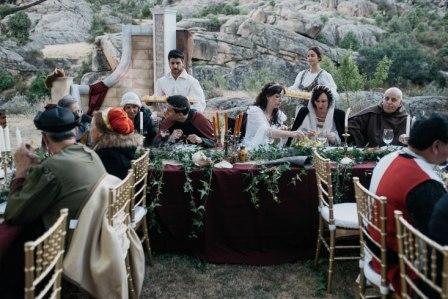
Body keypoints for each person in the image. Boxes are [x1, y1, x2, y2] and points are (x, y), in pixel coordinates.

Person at [0, 106, 107, 297]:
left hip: (62, 244)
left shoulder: (52, 168)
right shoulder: (90, 153)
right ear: (74, 131)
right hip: (90, 234)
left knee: (11, 241)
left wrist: (21, 172)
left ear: (45, 138)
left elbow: (13, 213)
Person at [368, 114, 448, 292]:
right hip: (406, 271)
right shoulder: (426, 184)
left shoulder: (395, 159)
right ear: (436, 146)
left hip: (380, 252)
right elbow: (441, 241)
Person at [243, 83, 303, 149]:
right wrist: (291, 133)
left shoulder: (279, 115)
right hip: (249, 150)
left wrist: (281, 130)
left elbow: (273, 139)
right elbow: (267, 131)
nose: (280, 100)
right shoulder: (255, 111)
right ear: (268, 96)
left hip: (267, 151)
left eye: (282, 97)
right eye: (277, 96)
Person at [91, 107, 141, 179]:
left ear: (100, 132)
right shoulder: (125, 148)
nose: (90, 129)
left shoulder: (106, 156)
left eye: (92, 126)